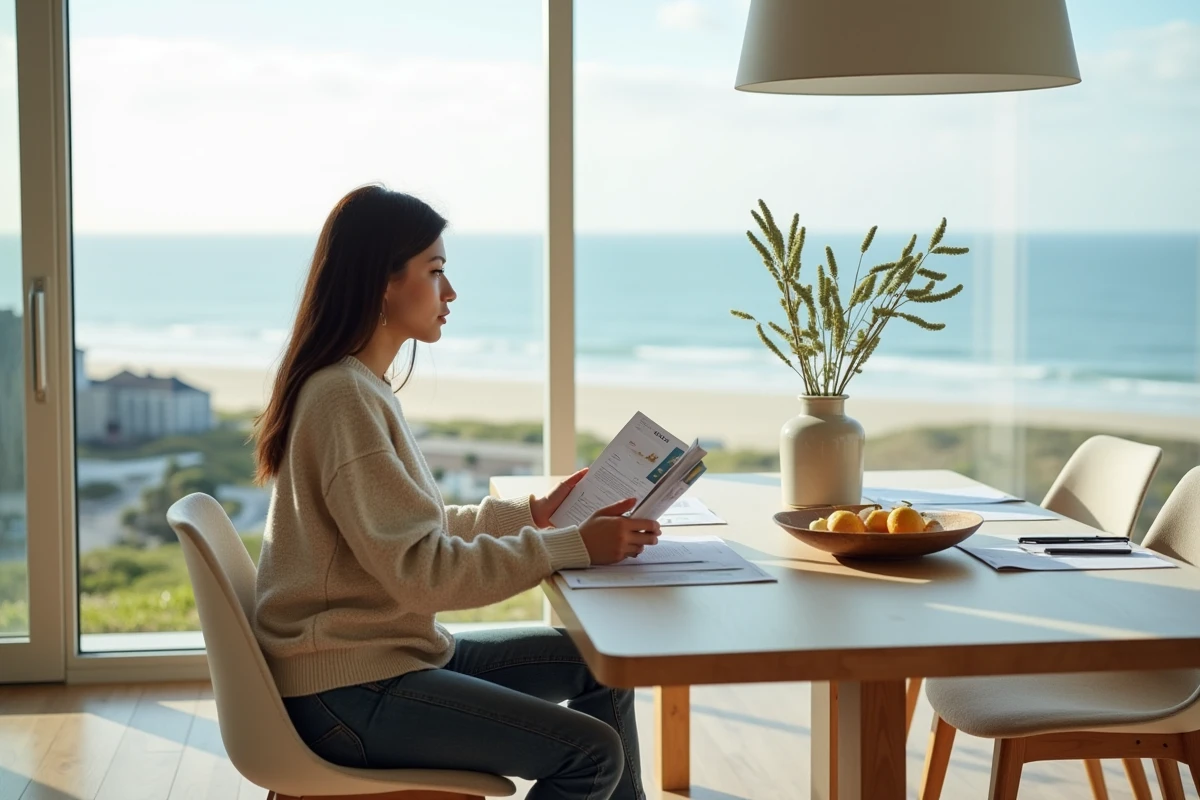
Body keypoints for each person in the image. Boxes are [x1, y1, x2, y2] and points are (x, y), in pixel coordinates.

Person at [252, 184, 658, 800]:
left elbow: (412, 529)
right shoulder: (344, 399)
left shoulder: (359, 386)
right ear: (383, 283)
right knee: (591, 754)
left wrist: (532, 514)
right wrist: (571, 545)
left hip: (386, 657)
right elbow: (425, 574)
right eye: (435, 271)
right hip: (348, 691)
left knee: (604, 661)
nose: (450, 292)